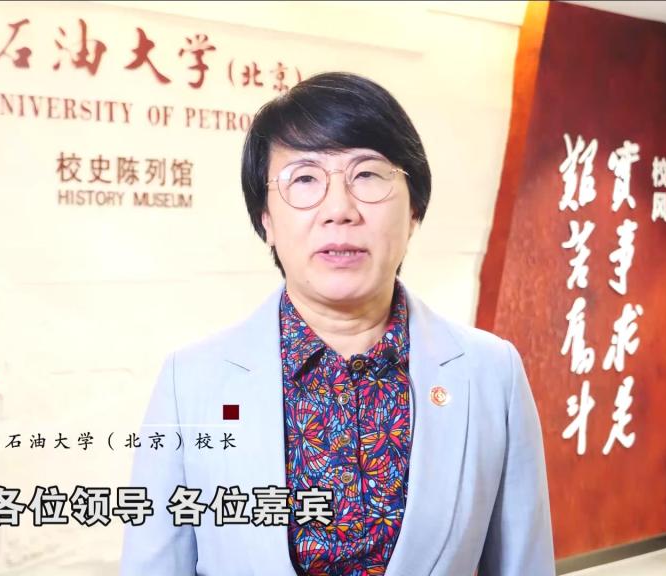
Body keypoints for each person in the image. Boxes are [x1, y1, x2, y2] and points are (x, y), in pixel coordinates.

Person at [119, 72, 555, 576]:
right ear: (266, 219)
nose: (339, 210)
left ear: (414, 209)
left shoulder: (491, 374)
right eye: (304, 179)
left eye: (367, 175)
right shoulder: (189, 382)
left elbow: (523, 564)